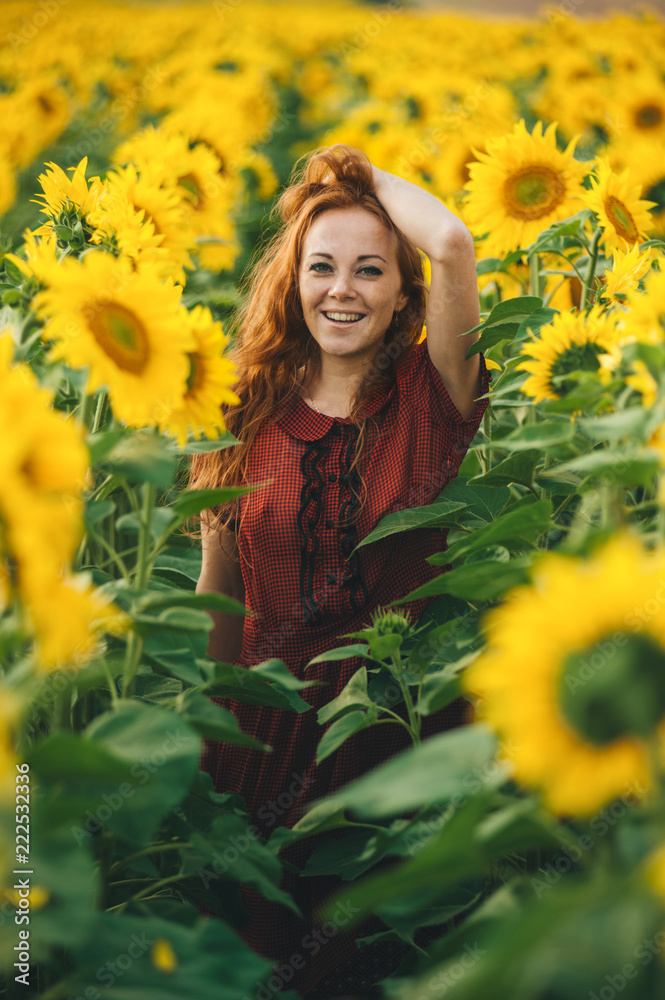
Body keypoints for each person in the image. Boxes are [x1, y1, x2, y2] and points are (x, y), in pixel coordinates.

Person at [191, 144, 492, 1000]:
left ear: (404, 295)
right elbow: (221, 594)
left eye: (370, 270)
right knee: (250, 969)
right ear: (292, 281)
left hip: (395, 743)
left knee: (376, 969)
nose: (342, 290)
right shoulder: (243, 410)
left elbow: (453, 243)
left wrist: (349, 174)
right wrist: (206, 748)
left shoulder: (432, 403)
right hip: (265, 750)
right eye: (320, 267)